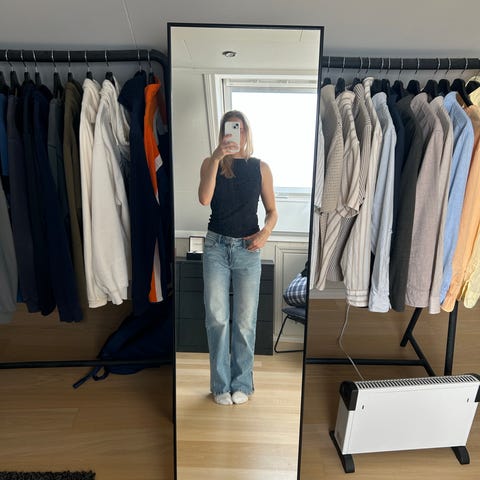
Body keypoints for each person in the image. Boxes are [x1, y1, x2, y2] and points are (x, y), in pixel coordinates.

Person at [198, 110, 278, 405]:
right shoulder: (210, 163)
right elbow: (204, 199)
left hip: (248, 249)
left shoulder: (261, 168)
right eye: (230, 129)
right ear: (223, 133)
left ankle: (242, 383)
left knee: (245, 321)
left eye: (240, 129)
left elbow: (272, 211)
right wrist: (217, 156)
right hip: (216, 247)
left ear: (247, 133)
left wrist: (265, 232)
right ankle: (220, 386)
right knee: (217, 319)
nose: (235, 134)